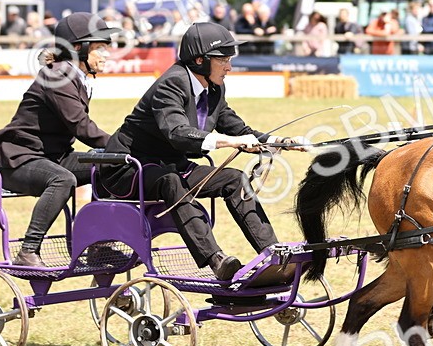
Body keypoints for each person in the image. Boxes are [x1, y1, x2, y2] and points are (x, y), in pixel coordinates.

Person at [102, 24, 303, 280]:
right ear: (200, 60)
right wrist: (230, 142)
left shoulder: (215, 88)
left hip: (170, 164)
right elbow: (177, 133)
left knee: (234, 179)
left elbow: (238, 128)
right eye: (223, 60)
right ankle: (216, 260)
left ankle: (274, 255)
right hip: (127, 168)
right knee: (170, 181)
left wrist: (280, 141)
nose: (229, 67)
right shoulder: (171, 84)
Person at [0, 13, 118, 268]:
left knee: (109, 165)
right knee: (63, 179)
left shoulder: (76, 76)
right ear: (78, 48)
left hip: (51, 156)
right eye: (99, 48)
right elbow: (82, 128)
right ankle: (28, 251)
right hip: (18, 158)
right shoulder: (57, 76)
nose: (106, 55)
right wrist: (124, 145)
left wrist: (116, 152)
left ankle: (98, 246)